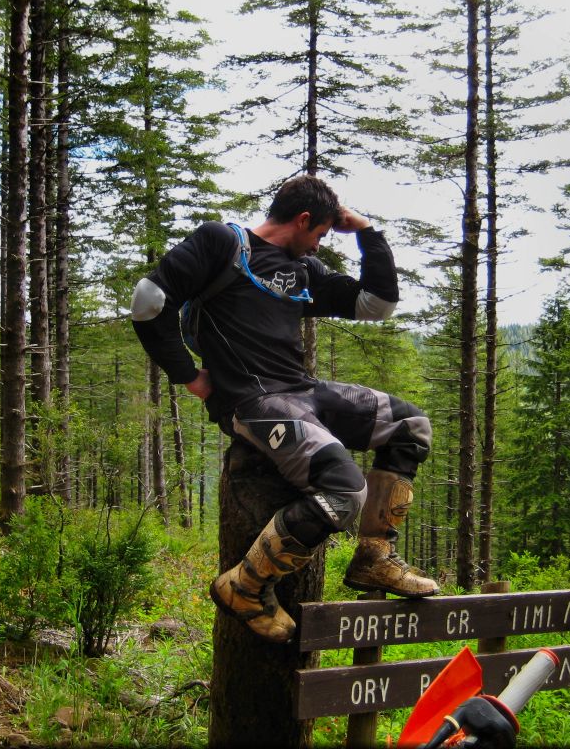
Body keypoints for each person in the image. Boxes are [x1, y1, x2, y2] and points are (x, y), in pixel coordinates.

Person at [130, 175, 438, 644]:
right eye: (320, 233)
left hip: (301, 391)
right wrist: (190, 378)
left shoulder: (303, 271)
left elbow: (377, 304)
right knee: (343, 491)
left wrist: (368, 233)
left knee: (410, 425)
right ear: (302, 219)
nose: (319, 244)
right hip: (255, 401)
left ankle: (374, 556)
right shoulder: (222, 243)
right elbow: (149, 300)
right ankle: (244, 587)